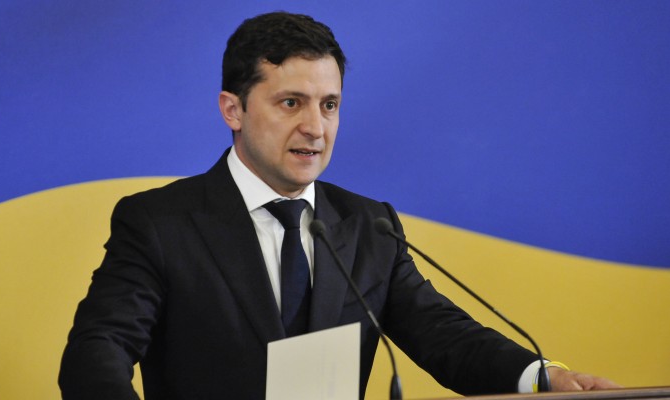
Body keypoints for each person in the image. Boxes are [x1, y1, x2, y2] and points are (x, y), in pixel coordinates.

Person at [59, 11, 619, 399]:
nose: (316, 127)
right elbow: (99, 349)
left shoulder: (369, 226)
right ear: (233, 109)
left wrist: (542, 378)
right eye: (291, 103)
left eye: (329, 105)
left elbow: (445, 336)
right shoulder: (160, 222)